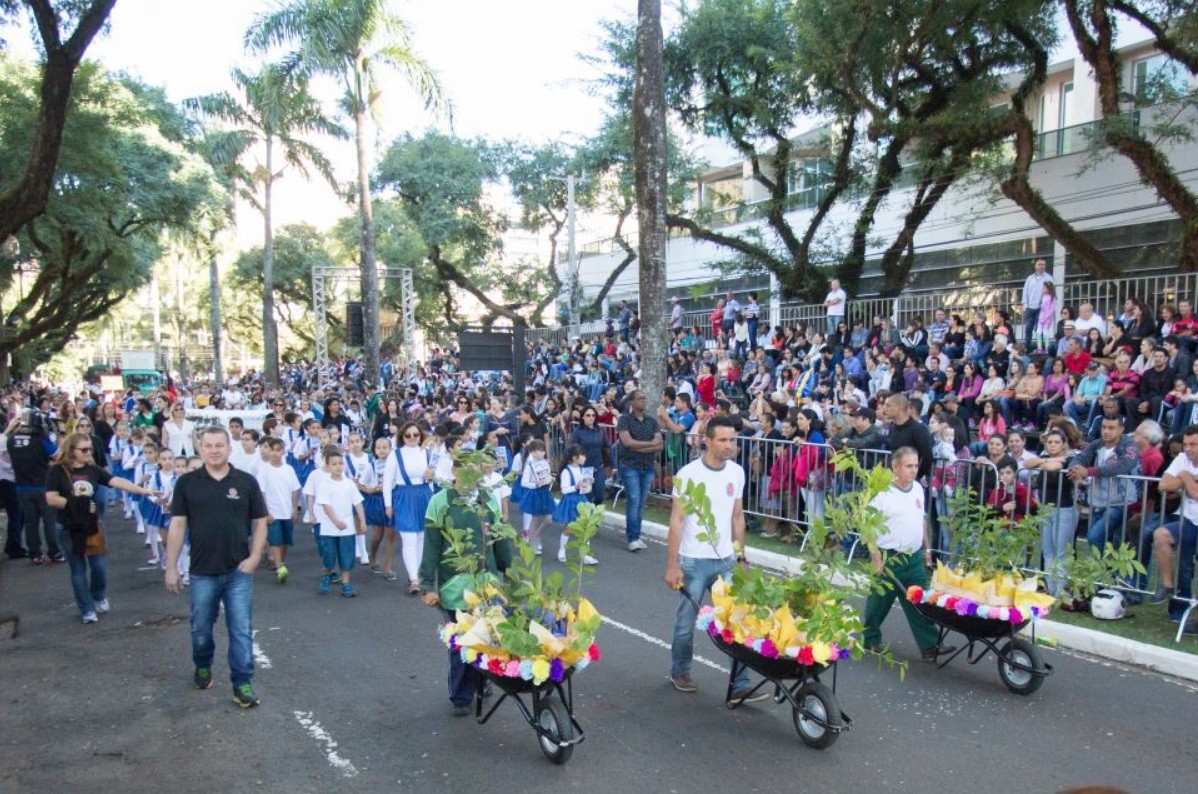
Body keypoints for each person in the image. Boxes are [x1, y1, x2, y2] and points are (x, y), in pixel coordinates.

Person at [664, 416, 768, 703]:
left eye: (733, 440)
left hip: (726, 561)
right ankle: (680, 670)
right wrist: (673, 565)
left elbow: (737, 517)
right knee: (686, 622)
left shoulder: (736, 472)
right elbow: (677, 520)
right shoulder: (688, 474)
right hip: (693, 561)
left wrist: (741, 556)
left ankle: (740, 684)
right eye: (722, 440)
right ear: (706, 441)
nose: (729, 445)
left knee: (738, 620)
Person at [165, 426, 268, 708]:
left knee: (241, 629)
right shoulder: (187, 483)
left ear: (228, 447)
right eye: (208, 446)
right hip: (201, 571)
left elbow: (260, 522)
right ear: (200, 449)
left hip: (238, 571)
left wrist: (256, 555)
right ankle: (202, 664)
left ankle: (243, 683)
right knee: (200, 629)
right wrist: (171, 567)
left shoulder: (246, 482)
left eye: (219, 445)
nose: (213, 450)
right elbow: (177, 524)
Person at [420, 457, 513, 716]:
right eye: (465, 469)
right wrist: (427, 584)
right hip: (455, 585)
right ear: (454, 471)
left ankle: (483, 682)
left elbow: (500, 537)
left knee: (488, 636)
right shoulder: (440, 502)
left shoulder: (487, 500)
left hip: (488, 583)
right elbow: (431, 545)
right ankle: (461, 695)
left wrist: (509, 571)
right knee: (462, 641)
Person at [45, 433, 156, 623]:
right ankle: (87, 609)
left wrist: (143, 490)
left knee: (99, 566)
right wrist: (78, 504)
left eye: (90, 449)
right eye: (84, 449)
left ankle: (98, 596)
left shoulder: (93, 470)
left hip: (92, 524)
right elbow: (51, 498)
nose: (89, 452)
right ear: (72, 451)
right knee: (78, 569)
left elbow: (115, 481)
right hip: (68, 526)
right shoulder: (57, 471)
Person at [861, 447, 955, 660]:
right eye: (909, 466)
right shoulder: (882, 493)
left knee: (919, 600)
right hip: (888, 556)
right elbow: (868, 527)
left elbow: (921, 520)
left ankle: (930, 645)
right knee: (879, 602)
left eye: (915, 465)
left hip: (912, 557)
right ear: (895, 467)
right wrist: (875, 558)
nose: (914, 470)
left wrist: (927, 549)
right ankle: (871, 639)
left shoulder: (917, 489)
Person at [7, 409, 62, 565]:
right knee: (49, 521)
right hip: (43, 486)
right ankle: (54, 552)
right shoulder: (41, 439)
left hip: (22, 487)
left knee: (31, 523)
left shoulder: (11, 440)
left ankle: (35, 554)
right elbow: (58, 456)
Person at [315, 448, 366, 597]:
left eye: (340, 463)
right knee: (329, 554)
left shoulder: (349, 483)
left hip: (347, 528)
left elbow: (358, 503)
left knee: (346, 556)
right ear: (328, 466)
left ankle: (346, 583)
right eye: (334, 464)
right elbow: (325, 505)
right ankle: (327, 575)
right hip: (329, 528)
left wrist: (362, 520)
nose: (338, 467)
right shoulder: (325, 483)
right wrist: (335, 521)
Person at [616, 390, 663, 552]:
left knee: (641, 503)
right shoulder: (624, 420)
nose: (644, 401)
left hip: (647, 466)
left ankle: (636, 535)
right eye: (640, 398)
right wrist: (650, 445)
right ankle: (633, 538)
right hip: (630, 466)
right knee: (634, 500)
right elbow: (627, 442)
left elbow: (660, 444)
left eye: (645, 398)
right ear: (632, 402)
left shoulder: (652, 421)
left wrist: (641, 447)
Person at [255, 437, 301, 585]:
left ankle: (281, 562)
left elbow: (295, 490)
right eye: (272, 450)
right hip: (272, 512)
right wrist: (267, 512)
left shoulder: (288, 469)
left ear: (283, 451)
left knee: (285, 540)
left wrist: (295, 509)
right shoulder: (264, 470)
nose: (275, 453)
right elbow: (261, 492)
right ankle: (280, 567)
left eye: (278, 450)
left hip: (286, 511)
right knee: (274, 540)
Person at [1021, 258, 1052, 346]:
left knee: (1038, 328)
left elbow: (1051, 293)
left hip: (1041, 308)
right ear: (1035, 266)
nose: (1041, 266)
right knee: (1028, 327)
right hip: (1030, 307)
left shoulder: (1048, 278)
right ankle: (1026, 347)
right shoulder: (1030, 278)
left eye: (1043, 264)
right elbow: (1025, 291)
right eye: (1039, 264)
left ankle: (1041, 347)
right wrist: (1025, 305)